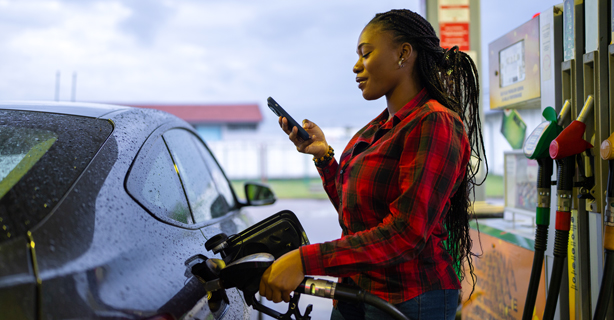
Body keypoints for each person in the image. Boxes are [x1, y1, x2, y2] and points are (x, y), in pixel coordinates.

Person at [259, 8, 487, 320]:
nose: (356, 66)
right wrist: (324, 157)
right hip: (357, 292)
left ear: (403, 54)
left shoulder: (434, 123)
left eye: (366, 54)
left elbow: (405, 233)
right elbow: (355, 216)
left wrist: (304, 261)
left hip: (410, 299)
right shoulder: (376, 128)